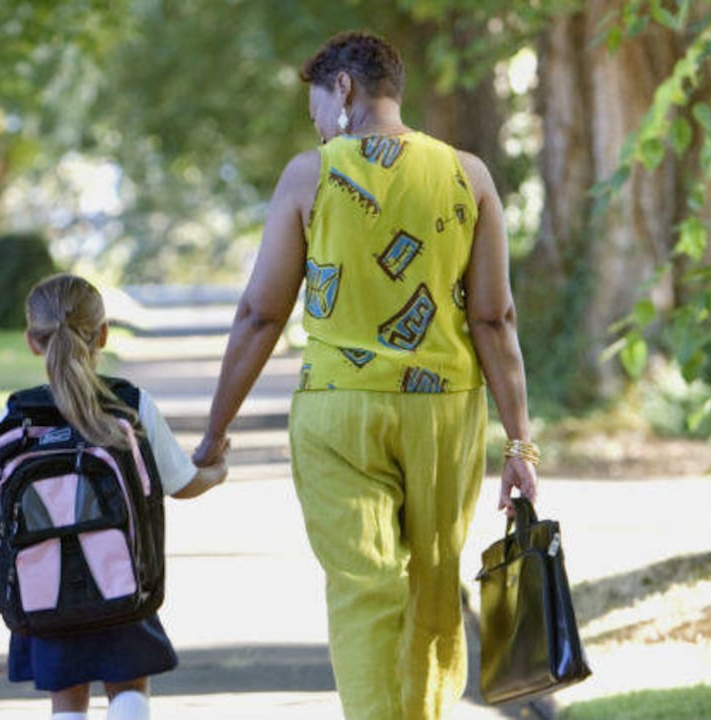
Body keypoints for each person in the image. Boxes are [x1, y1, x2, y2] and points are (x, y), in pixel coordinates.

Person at [192, 30, 541, 720]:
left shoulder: (311, 175)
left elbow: (261, 315)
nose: (318, 125)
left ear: (343, 88)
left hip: (338, 412)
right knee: (435, 584)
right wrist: (520, 445)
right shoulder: (467, 175)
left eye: (317, 106)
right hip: (443, 410)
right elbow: (494, 319)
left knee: (363, 586)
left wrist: (214, 433)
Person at [0, 273, 226, 720]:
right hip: (122, 582)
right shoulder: (129, 404)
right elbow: (182, 485)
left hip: (45, 594)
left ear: (32, 341)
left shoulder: (17, 415)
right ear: (103, 334)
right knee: (128, 690)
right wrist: (215, 471)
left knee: (67, 700)